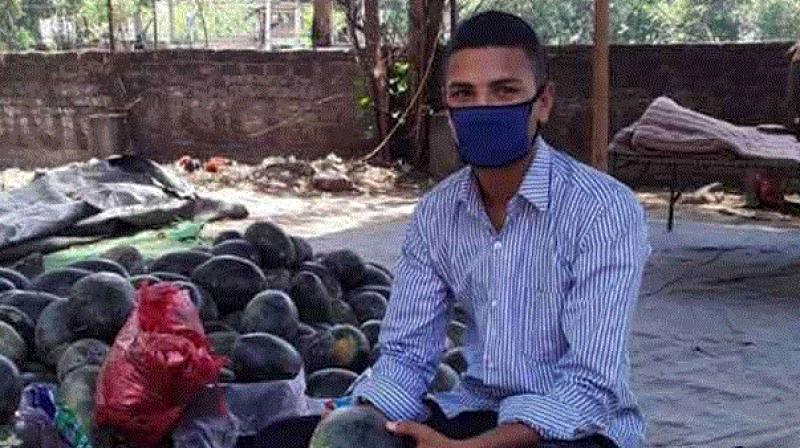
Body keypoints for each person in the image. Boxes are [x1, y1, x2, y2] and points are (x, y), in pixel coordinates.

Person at [239, 11, 650, 448]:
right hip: (477, 411)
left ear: (543, 102)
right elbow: (407, 356)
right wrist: (357, 415)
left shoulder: (602, 209)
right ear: (449, 111)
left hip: (574, 429)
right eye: (463, 94)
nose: (483, 109)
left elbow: (590, 384)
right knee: (277, 440)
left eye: (505, 90)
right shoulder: (437, 213)